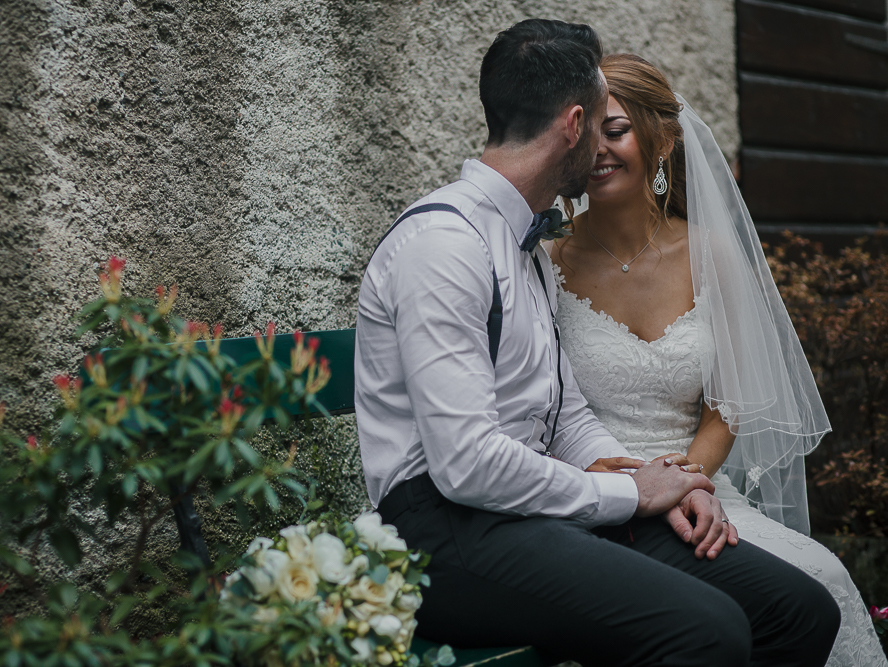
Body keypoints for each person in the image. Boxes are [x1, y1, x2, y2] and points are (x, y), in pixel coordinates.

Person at [355, 19, 840, 667]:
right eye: (602, 124)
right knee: (708, 629)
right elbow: (466, 464)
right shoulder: (445, 247)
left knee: (799, 609)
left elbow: (566, 413)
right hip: (447, 534)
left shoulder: (522, 244)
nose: (608, 142)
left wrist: (662, 480)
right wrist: (629, 495)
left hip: (532, 508)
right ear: (574, 125)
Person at [550, 53, 886, 666]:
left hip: (700, 484)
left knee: (822, 578)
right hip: (595, 492)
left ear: (663, 138)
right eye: (584, 131)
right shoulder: (549, 265)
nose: (597, 149)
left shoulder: (709, 253)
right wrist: (635, 489)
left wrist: (682, 482)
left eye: (616, 129)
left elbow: (724, 407)